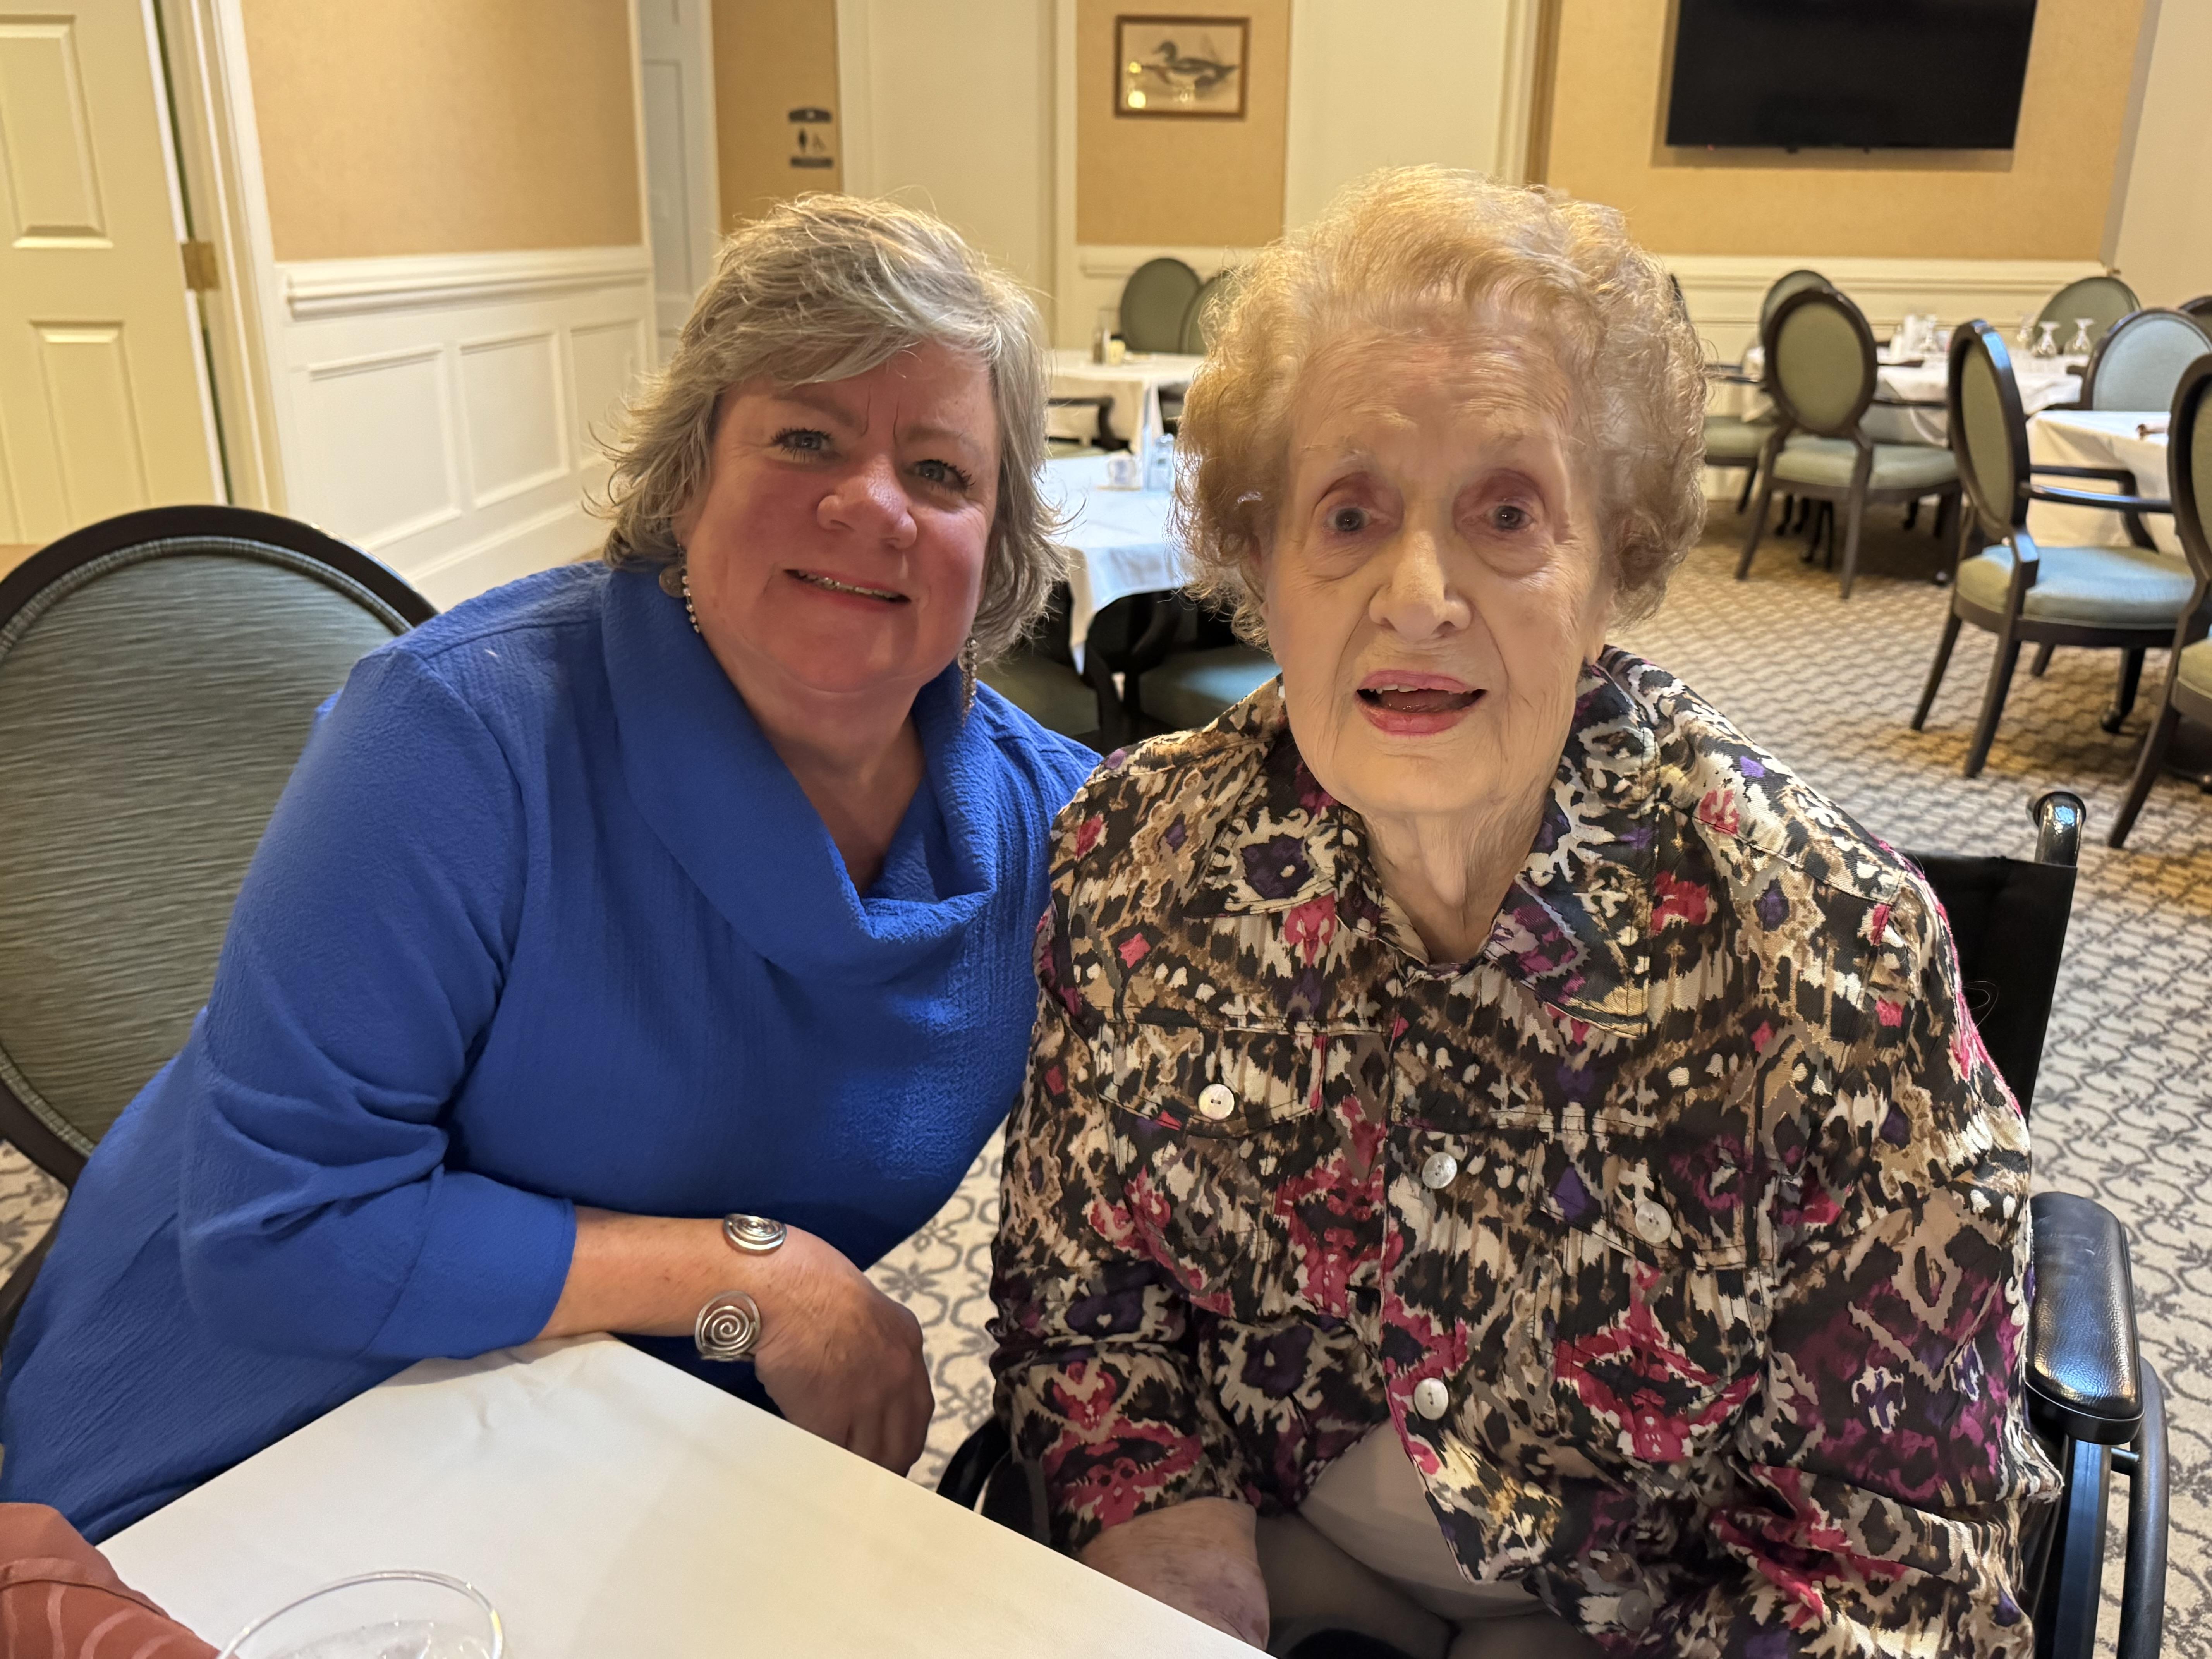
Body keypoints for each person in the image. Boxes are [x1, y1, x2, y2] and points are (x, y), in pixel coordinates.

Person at [991, 168, 2057, 1657]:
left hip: (1652, 1622)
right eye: (1348, 513)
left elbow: (1896, 1575)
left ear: (1612, 561)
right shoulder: (1134, 858)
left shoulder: (1832, 963)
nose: (1418, 592)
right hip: (1272, 1568)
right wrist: (1168, 1524)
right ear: (1260, 561)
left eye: (1507, 514)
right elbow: (1082, 1308)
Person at [0, 194, 1095, 1540]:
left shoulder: (1059, 826)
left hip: (637, 1442)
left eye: (941, 472)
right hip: (260, 1428)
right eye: (806, 435)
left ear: (997, 542)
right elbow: (275, 1230)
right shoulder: (462, 730)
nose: (870, 502)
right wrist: (760, 1278)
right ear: (690, 475)